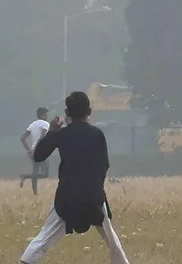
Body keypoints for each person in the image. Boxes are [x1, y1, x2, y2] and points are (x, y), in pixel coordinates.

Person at [18, 91, 131, 264]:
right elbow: (104, 165)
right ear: (90, 111)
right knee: (113, 242)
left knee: (42, 239)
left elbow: (38, 156)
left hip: (67, 197)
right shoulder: (97, 135)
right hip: (94, 197)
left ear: (67, 113)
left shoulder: (62, 134)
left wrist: (51, 132)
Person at [21, 107, 53, 195]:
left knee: (35, 172)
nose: (47, 116)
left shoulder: (32, 124)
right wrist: (36, 148)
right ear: (43, 115)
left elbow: (23, 138)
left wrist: (29, 150)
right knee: (45, 174)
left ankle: (35, 194)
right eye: (46, 114)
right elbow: (42, 137)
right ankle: (25, 176)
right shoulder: (45, 124)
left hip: (32, 153)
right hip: (41, 151)